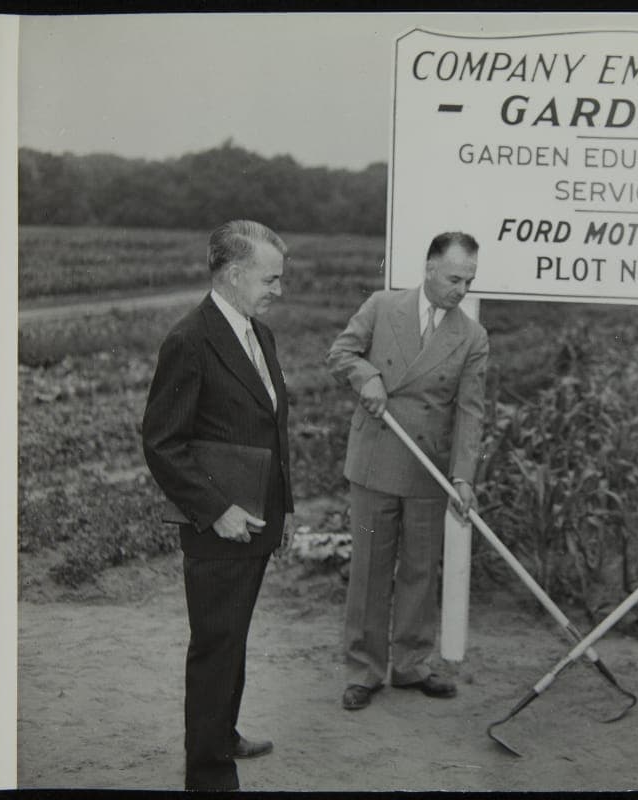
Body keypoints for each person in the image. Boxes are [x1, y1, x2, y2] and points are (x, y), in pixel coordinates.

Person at [142, 220, 293, 791]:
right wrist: (218, 509)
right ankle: (207, 773)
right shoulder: (189, 340)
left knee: (233, 636)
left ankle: (222, 734)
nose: (278, 289)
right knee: (215, 644)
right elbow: (162, 443)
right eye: (270, 278)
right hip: (219, 526)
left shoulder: (259, 334)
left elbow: (272, 427)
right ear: (233, 274)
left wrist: (287, 506)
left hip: (257, 517)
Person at [327, 231, 489, 711]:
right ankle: (364, 669)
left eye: (470, 281)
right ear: (430, 268)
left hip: (428, 466)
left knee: (421, 568)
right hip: (376, 457)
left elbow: (471, 412)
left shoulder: (472, 336)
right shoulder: (381, 307)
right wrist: (369, 378)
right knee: (370, 569)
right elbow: (340, 354)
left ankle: (412, 664)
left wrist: (463, 477)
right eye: (455, 278)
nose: (462, 289)